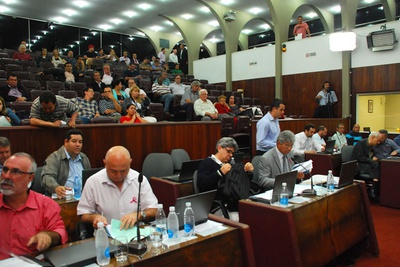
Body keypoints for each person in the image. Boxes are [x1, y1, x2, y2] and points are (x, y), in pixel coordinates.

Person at [0, 153, 68, 260]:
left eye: (15, 172)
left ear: (30, 178)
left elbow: (59, 232)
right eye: (4, 170)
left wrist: (48, 236)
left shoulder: (46, 205)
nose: (6, 176)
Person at [77, 146, 158, 229]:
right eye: (113, 171)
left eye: (123, 171)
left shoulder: (139, 180)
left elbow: (154, 210)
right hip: (106, 235)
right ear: (105, 164)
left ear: (130, 163)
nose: (118, 176)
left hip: (135, 233)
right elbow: (83, 214)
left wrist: (139, 215)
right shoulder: (93, 182)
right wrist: (94, 217)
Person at [197, 137, 253, 213]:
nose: (230, 155)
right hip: (218, 205)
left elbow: (240, 183)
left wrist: (247, 172)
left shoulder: (231, 164)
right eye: (228, 151)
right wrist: (219, 173)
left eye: (232, 153)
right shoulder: (207, 163)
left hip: (234, 202)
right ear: (219, 148)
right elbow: (202, 184)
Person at [41, 129, 91, 197]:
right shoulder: (54, 158)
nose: (77, 145)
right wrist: (56, 187)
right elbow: (47, 177)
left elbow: (89, 178)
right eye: (74, 141)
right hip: (62, 198)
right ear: (66, 142)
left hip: (83, 197)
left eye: (80, 142)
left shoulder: (84, 158)